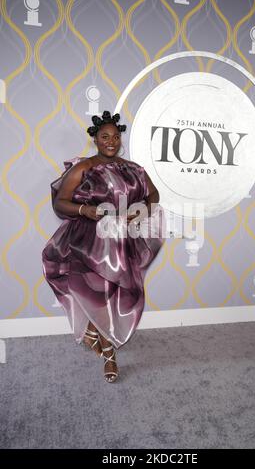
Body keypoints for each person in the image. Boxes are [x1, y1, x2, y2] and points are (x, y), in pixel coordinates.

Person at [42, 110, 166, 383]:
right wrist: (86, 210)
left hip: (122, 240)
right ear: (95, 139)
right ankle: (110, 355)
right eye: (104, 136)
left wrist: (141, 209)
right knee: (100, 295)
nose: (111, 141)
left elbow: (154, 194)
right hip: (89, 240)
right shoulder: (83, 167)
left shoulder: (133, 169)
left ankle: (90, 332)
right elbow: (60, 202)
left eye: (116, 136)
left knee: (115, 295)